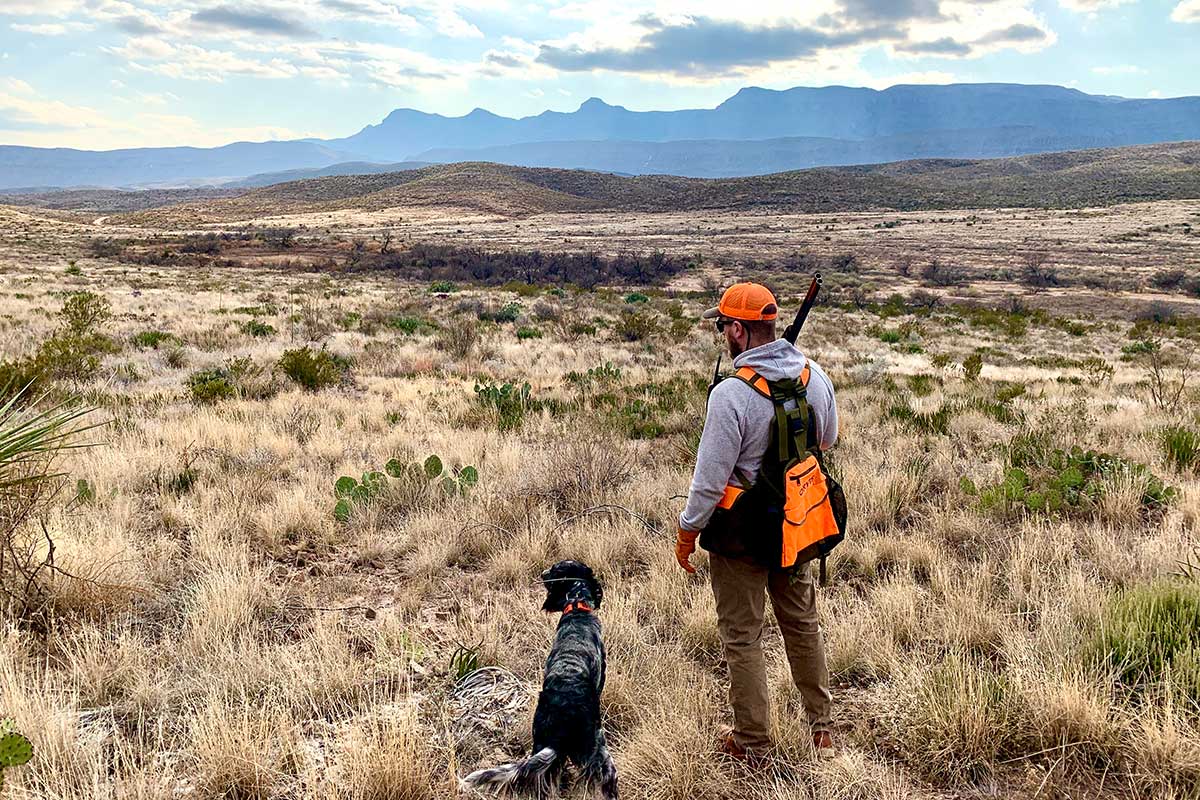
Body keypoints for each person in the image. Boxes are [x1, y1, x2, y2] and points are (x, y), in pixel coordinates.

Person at [675, 282, 839, 762]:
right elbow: (826, 440)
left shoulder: (731, 394)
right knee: (802, 624)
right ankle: (823, 731)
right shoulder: (814, 376)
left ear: (738, 331)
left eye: (723, 326)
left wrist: (687, 531)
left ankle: (752, 741)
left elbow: (710, 481)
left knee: (743, 637)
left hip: (740, 536)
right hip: (796, 524)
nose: (723, 334)